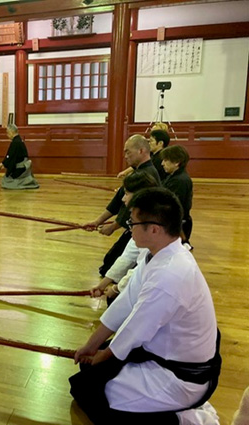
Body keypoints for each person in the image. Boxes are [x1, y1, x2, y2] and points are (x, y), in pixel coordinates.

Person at [71, 187, 221, 424]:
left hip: (181, 376)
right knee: (88, 376)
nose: (129, 227)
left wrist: (100, 358)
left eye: (133, 222)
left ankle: (186, 417)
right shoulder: (155, 255)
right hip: (165, 350)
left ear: (154, 228)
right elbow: (125, 303)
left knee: (94, 392)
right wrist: (92, 345)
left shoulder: (171, 274)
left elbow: (135, 330)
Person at [84, 135, 161, 277]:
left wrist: (113, 227)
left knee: (109, 270)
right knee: (108, 266)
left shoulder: (147, 175)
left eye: (128, 152)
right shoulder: (137, 172)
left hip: (141, 230)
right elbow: (117, 201)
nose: (125, 156)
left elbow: (129, 209)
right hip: (132, 227)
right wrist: (97, 222)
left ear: (141, 151)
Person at [90, 172, 158, 304]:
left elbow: (143, 268)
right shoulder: (141, 219)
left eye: (126, 194)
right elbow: (127, 257)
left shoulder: (151, 227)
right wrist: (103, 285)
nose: (123, 199)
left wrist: (117, 288)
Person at [161, 145, 194, 244]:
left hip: (177, 225)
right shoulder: (173, 177)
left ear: (176, 162)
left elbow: (173, 207)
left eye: (166, 160)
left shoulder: (180, 181)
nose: (162, 163)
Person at [0, 124, 39, 190]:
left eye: (7, 133)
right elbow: (13, 157)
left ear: (11, 132)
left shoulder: (15, 142)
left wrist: (0, 165)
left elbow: (9, 157)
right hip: (24, 167)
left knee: (5, 181)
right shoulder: (19, 140)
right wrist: (3, 165)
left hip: (20, 169)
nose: (7, 135)